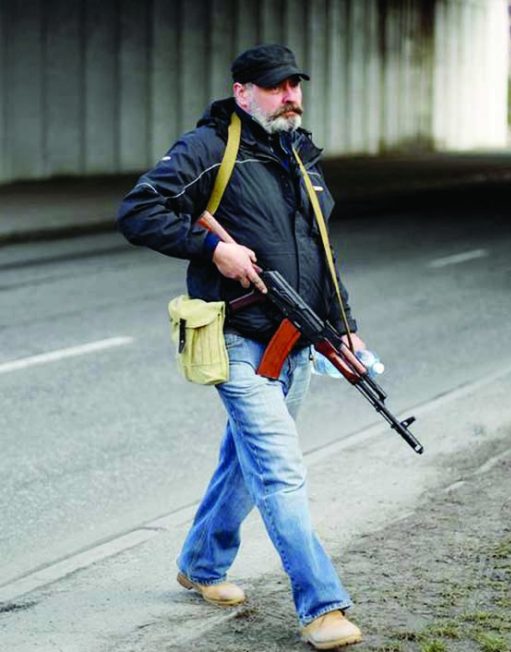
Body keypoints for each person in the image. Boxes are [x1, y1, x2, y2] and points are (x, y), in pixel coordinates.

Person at [117, 44, 363, 649]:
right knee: (279, 471)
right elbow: (138, 210)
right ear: (243, 91)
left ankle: (201, 564)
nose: (291, 97)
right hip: (236, 339)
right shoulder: (209, 148)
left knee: (244, 463)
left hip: (298, 341)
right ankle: (323, 606)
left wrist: (343, 325)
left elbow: (321, 252)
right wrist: (212, 249)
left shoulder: (301, 154)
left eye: (295, 86)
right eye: (277, 87)